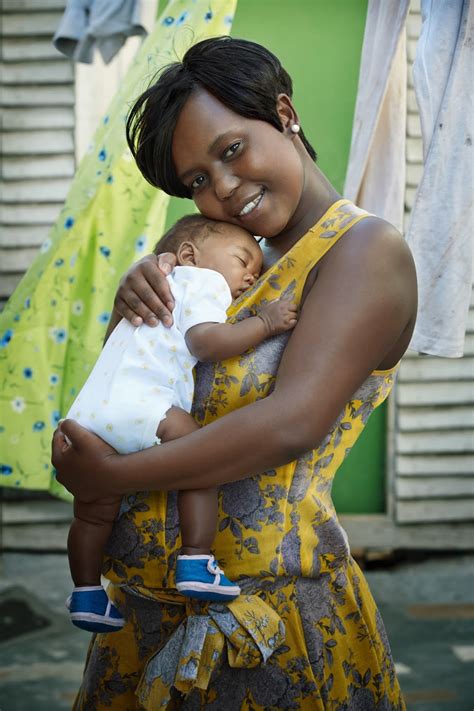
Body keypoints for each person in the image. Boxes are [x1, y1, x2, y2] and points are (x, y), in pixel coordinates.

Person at [52, 36, 416, 710]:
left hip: (271, 628)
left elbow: (291, 421)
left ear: (284, 114)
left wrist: (107, 477)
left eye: (230, 151)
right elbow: (144, 387)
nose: (222, 189)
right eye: (196, 179)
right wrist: (135, 303)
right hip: (144, 626)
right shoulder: (222, 270)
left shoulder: (364, 252)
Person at [65, 213, 298, 632]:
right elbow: (204, 342)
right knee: (198, 464)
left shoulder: (153, 287)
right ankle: (196, 560)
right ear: (189, 255)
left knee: (93, 514)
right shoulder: (200, 281)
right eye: (243, 259)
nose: (250, 276)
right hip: (141, 405)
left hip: (87, 415)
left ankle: (86, 592)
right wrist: (264, 322)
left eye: (256, 271)